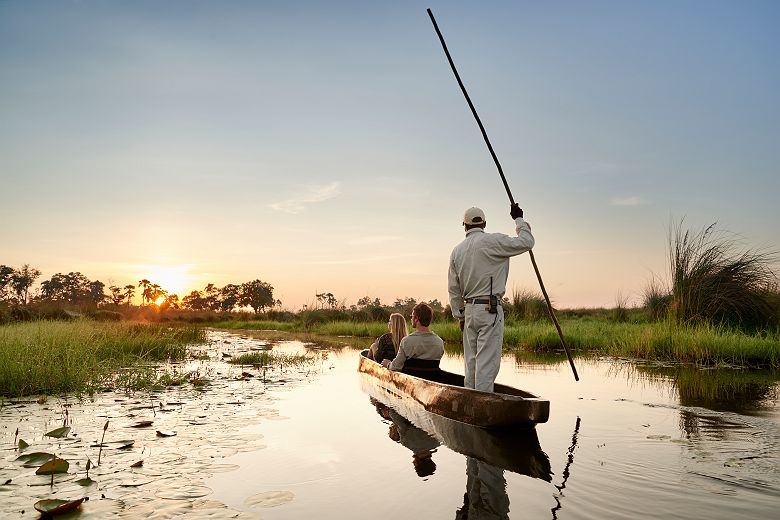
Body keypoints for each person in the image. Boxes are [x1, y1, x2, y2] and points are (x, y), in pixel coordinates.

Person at [448, 204, 534, 392]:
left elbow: (453, 290)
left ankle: (469, 402)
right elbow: (527, 242)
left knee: (471, 365)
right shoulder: (495, 241)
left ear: (464, 226)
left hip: (469, 311)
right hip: (490, 310)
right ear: (484, 223)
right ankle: (482, 407)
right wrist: (519, 219)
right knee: (486, 364)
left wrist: (460, 315)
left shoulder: (457, 251)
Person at [381, 302, 444, 377]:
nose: (411, 319)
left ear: (416, 318)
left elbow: (396, 367)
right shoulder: (439, 342)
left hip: (411, 383)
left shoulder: (406, 341)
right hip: (433, 380)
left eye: (412, 316)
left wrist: (388, 364)